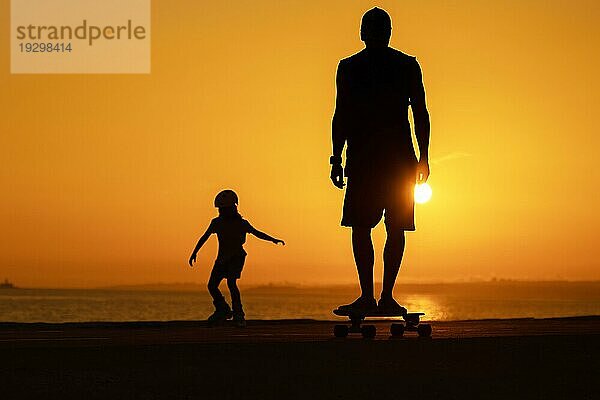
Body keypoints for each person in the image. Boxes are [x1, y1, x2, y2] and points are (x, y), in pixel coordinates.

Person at [330, 8, 431, 315]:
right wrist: (336, 156)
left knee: (388, 227)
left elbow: (420, 113)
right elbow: (341, 114)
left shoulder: (403, 66)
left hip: (388, 159)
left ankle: (380, 296)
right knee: (367, 227)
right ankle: (372, 296)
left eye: (378, 29)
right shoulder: (352, 67)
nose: (374, 35)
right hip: (370, 159)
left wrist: (423, 157)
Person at [188, 190, 285, 327]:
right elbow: (204, 237)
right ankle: (223, 310)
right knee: (212, 285)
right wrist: (195, 252)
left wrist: (273, 240)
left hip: (236, 257)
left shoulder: (242, 223)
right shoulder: (216, 223)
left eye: (224, 209)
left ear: (233, 208)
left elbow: (257, 233)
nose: (222, 212)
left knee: (231, 283)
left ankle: (238, 314)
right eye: (220, 209)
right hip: (221, 259)